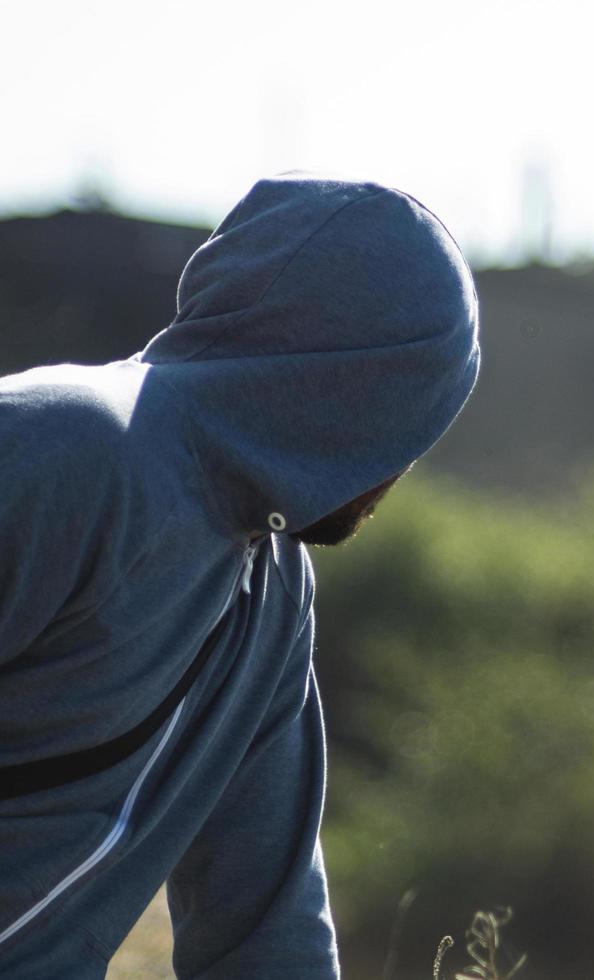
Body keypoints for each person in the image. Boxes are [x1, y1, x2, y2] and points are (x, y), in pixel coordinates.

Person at [0, 173, 482, 978]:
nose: (402, 467)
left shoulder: (271, 590)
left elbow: (266, 923)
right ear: (357, 395)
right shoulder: (69, 450)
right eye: (415, 418)